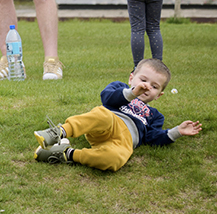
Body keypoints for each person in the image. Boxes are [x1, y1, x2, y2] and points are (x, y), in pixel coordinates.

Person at [33, 59, 201, 171]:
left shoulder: (155, 115)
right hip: (108, 123)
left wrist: (177, 132)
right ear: (131, 78)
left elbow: (153, 138)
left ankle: (66, 153)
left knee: (114, 160)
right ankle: (59, 132)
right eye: (143, 80)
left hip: (125, 141)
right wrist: (132, 93)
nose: (147, 86)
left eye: (154, 86)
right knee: (102, 115)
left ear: (159, 95)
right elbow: (106, 98)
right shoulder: (120, 88)